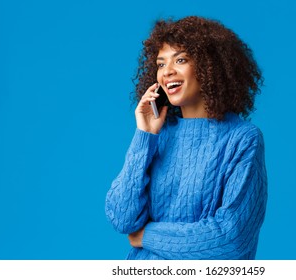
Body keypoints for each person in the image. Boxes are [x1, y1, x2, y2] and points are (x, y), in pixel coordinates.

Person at [105, 16, 268, 260]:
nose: (167, 72)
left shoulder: (242, 139)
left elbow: (232, 238)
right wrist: (144, 136)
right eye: (161, 64)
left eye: (180, 60)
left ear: (208, 66)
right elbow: (122, 217)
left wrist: (147, 236)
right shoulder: (157, 136)